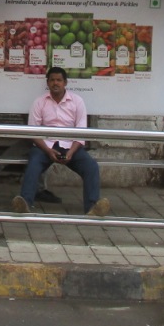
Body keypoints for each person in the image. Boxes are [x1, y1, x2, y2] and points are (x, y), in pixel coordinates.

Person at [12, 66, 111, 216]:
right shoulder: (39, 102)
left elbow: (81, 131)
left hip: (70, 146)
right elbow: (33, 131)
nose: (55, 83)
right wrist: (47, 150)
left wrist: (71, 152)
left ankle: (92, 208)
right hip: (45, 146)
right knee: (33, 165)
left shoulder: (77, 101)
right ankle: (24, 203)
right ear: (48, 83)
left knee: (91, 167)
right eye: (52, 80)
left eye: (59, 80)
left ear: (65, 83)